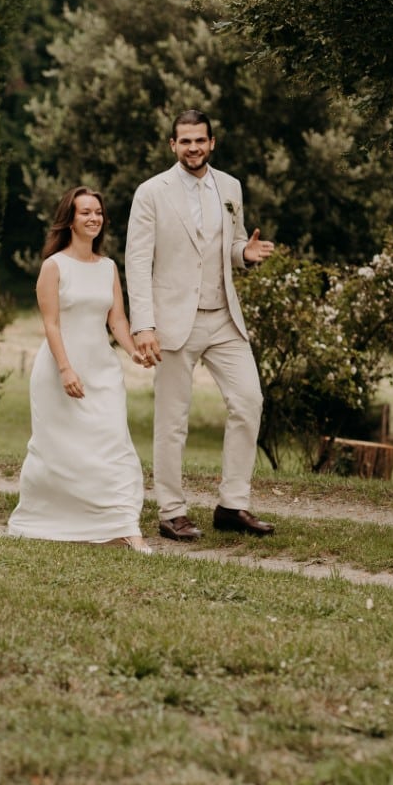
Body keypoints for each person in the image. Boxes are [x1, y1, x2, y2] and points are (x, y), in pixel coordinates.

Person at [125, 109, 275, 542]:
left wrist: (243, 255)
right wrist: (144, 325)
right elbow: (137, 260)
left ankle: (233, 505)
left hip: (225, 317)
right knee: (173, 420)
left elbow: (231, 243)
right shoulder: (151, 192)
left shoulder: (230, 187)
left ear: (213, 143)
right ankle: (172, 511)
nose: (193, 148)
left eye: (200, 140)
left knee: (249, 401)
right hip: (173, 322)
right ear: (173, 145)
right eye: (185, 141)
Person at [8, 186, 153, 553]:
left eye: (98, 212)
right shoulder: (54, 267)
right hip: (61, 370)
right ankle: (58, 519)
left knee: (114, 445)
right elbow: (51, 324)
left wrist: (135, 350)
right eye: (85, 212)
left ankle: (125, 527)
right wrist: (65, 369)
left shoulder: (107, 268)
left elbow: (116, 319)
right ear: (70, 219)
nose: (93, 218)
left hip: (103, 372)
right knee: (61, 451)